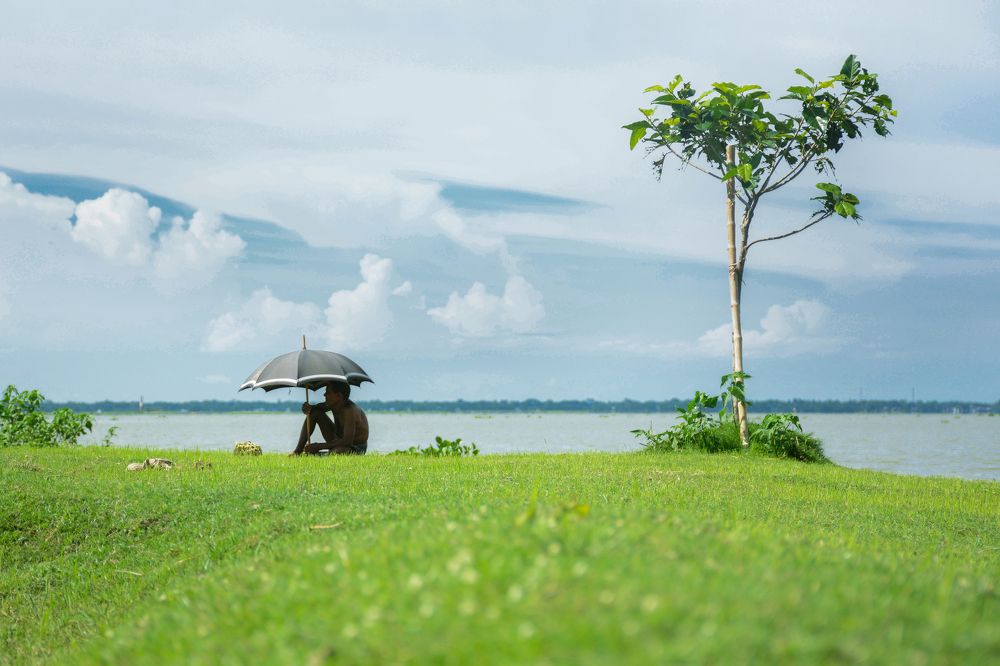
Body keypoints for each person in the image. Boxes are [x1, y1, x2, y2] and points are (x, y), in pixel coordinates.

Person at [291, 382, 369, 455]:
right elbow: (316, 409)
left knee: (338, 451)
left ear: (338, 396)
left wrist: (318, 446)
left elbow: (347, 441)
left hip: (354, 447)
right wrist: (309, 408)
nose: (324, 395)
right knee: (315, 412)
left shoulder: (350, 411)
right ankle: (297, 451)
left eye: (328, 392)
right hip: (337, 440)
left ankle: (321, 454)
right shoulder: (333, 404)